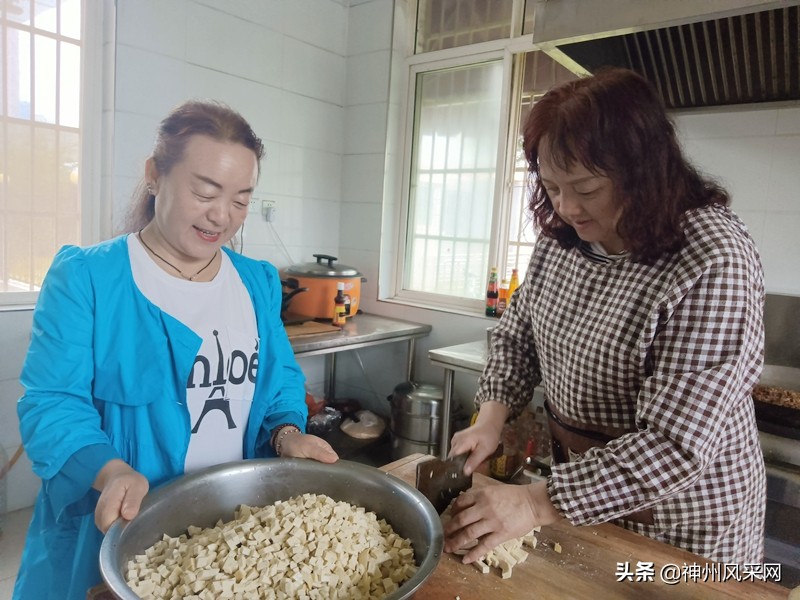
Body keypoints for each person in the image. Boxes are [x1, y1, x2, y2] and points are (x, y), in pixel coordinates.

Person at [14, 100, 338, 599]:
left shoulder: (256, 283)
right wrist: (109, 469)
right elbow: (52, 402)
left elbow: (277, 385)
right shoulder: (89, 278)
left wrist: (287, 435)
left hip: (229, 536)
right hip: (119, 530)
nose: (221, 216)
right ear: (154, 175)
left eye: (241, 199)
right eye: (205, 192)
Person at [445, 67, 765, 567]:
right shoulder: (560, 244)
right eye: (551, 188)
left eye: (586, 189)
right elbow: (517, 337)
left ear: (644, 171)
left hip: (687, 525)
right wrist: (491, 418)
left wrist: (533, 502)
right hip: (587, 503)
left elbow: (674, 445)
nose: (567, 207)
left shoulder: (711, 256)